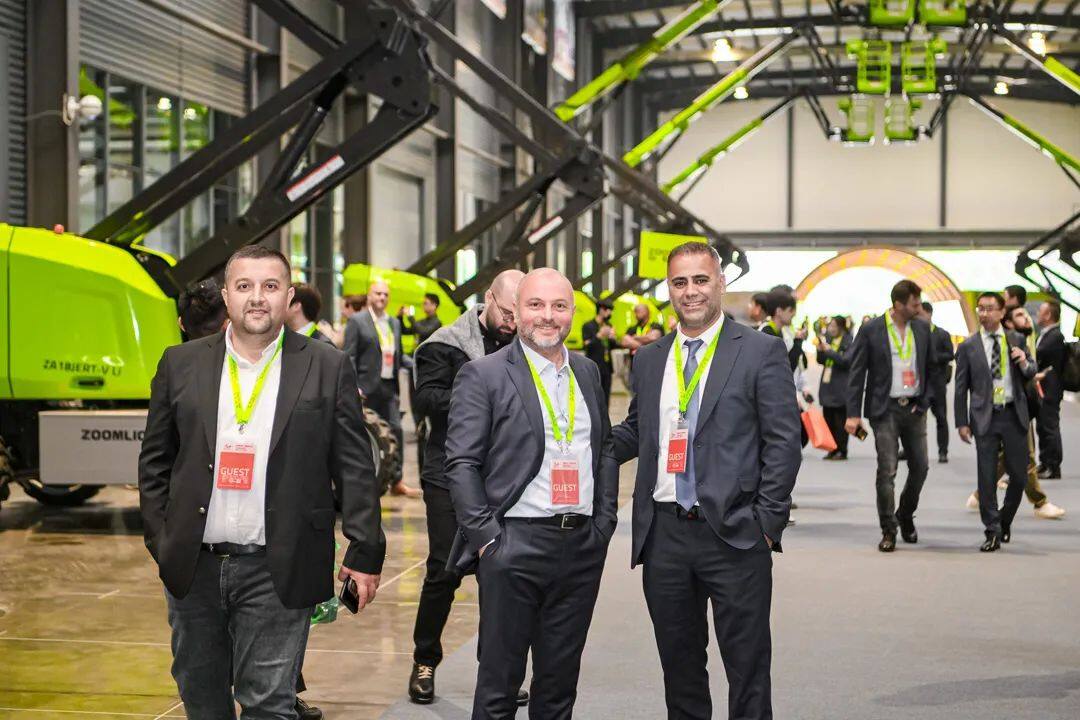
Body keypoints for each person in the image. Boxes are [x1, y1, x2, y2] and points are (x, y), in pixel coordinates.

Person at [138, 245, 384, 719]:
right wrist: (162, 539)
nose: (257, 297)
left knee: (269, 702)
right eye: (244, 286)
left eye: (270, 286)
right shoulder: (180, 363)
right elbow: (155, 462)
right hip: (194, 566)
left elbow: (353, 466)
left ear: (288, 297)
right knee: (201, 697)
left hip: (279, 565)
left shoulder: (326, 365)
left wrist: (365, 549)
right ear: (226, 296)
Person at [601, 242, 801, 720]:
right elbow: (639, 430)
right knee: (681, 671)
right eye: (679, 282)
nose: (690, 291)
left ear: (720, 283)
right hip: (664, 536)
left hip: (735, 533)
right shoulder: (651, 359)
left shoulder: (760, 351)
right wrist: (576, 442)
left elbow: (783, 442)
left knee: (747, 669)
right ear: (668, 289)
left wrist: (766, 523)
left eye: (700, 280)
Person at [445, 268, 616, 720]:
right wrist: (487, 539)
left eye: (559, 306)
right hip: (513, 545)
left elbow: (603, 450)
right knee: (499, 687)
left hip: (580, 547)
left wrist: (604, 523)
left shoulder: (587, 371)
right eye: (536, 304)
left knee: (559, 687)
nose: (547, 316)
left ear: (572, 313)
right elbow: (461, 463)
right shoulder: (483, 374)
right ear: (516, 311)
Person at [407, 270, 528, 706]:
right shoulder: (444, 344)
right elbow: (426, 400)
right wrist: (484, 394)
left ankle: (494, 670)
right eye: (507, 313)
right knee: (443, 570)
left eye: (519, 314)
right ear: (488, 299)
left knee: (499, 573)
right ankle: (424, 660)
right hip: (447, 472)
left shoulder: (527, 343)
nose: (513, 323)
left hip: (502, 476)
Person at [845, 280, 934, 553]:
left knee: (921, 467)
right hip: (885, 410)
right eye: (914, 304)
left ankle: (904, 514)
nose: (919, 308)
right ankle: (889, 530)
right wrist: (853, 414)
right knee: (887, 470)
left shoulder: (922, 328)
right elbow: (857, 372)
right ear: (898, 304)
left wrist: (926, 401)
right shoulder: (871, 329)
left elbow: (931, 367)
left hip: (915, 408)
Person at [965, 306, 1066, 520]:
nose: (1027, 318)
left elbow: (1030, 368)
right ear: (1008, 321)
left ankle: (981, 494)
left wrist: (1028, 367)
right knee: (1025, 457)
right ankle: (1040, 502)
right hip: (1002, 408)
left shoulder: (1024, 339)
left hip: (1023, 406)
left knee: (1011, 457)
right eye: (1020, 315)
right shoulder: (995, 343)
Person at [955, 292, 1036, 551]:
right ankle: (991, 530)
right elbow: (961, 387)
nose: (984, 313)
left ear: (1002, 313)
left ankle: (1004, 519)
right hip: (985, 417)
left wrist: (1024, 361)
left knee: (1019, 476)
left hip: (1013, 414)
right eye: (980, 308)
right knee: (987, 476)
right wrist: (961, 421)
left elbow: (1031, 371)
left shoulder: (1016, 339)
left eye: (990, 308)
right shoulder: (968, 346)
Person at [343, 280, 419, 498]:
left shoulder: (394, 322)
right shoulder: (357, 321)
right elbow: (349, 356)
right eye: (378, 293)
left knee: (396, 430)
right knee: (363, 436)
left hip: (389, 387)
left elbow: (398, 356)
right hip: (365, 389)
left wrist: (420, 363)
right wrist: (353, 385)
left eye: (385, 294)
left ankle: (397, 481)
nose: (382, 298)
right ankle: (362, 480)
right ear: (369, 296)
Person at [919, 302, 954, 463]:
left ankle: (943, 451)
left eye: (921, 314)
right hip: (921, 384)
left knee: (941, 417)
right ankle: (913, 450)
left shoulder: (942, 334)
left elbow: (950, 354)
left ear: (929, 314)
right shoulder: (915, 333)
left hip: (938, 383)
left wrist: (934, 357)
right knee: (915, 419)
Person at [1035, 300, 1065, 479]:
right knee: (1042, 427)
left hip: (1050, 389)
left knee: (1049, 427)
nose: (1037, 314)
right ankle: (1045, 462)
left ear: (1048, 315)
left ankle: (1053, 466)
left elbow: (1039, 354)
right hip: (1044, 388)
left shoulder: (1055, 336)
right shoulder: (1046, 334)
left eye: (1040, 311)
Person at [817, 315, 853, 460]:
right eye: (829, 326)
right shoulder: (829, 340)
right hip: (827, 385)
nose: (830, 329)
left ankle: (842, 450)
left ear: (841, 327)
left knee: (840, 421)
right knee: (829, 420)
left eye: (833, 326)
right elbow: (821, 361)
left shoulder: (848, 341)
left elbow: (845, 361)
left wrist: (829, 351)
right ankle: (832, 448)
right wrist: (820, 350)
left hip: (840, 386)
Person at [582, 299, 617, 409]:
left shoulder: (609, 325)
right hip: (593, 366)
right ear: (601, 310)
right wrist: (599, 335)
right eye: (608, 310)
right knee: (593, 397)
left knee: (606, 398)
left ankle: (605, 418)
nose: (610, 313)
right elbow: (587, 346)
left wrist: (612, 338)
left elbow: (613, 346)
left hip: (607, 367)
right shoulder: (588, 326)